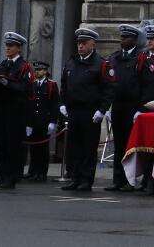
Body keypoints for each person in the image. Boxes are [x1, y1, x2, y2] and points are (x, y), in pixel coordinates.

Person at [58, 28, 113, 192]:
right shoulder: (72, 62)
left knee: (88, 147)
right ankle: (74, 177)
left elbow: (109, 89)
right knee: (73, 146)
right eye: (79, 43)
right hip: (74, 110)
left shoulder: (101, 64)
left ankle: (86, 179)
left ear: (92, 44)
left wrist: (102, 110)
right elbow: (64, 85)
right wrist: (62, 103)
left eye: (84, 43)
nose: (80, 46)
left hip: (91, 111)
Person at [0, 32, 33, 189]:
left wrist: (7, 84)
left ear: (18, 48)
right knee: (1, 143)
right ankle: (1, 176)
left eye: (11, 46)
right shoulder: (2, 64)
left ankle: (11, 177)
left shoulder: (24, 66)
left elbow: (24, 88)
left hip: (15, 111)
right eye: (6, 45)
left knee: (12, 145)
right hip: (1, 108)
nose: (7, 48)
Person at [106, 24, 143, 192]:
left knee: (131, 146)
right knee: (119, 144)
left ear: (134, 39)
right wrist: (107, 106)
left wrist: (140, 108)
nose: (122, 40)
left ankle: (131, 180)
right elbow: (108, 83)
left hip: (132, 106)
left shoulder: (140, 57)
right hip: (118, 105)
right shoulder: (114, 58)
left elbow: (144, 85)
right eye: (121, 37)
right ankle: (118, 179)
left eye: (126, 37)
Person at [25, 60, 60, 182]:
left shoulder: (51, 85)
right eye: (36, 70)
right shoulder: (33, 84)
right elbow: (30, 104)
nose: (37, 72)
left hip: (44, 121)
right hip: (34, 122)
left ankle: (41, 172)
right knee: (33, 148)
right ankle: (33, 171)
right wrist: (28, 123)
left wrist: (53, 121)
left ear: (45, 71)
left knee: (43, 149)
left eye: (39, 70)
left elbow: (55, 104)